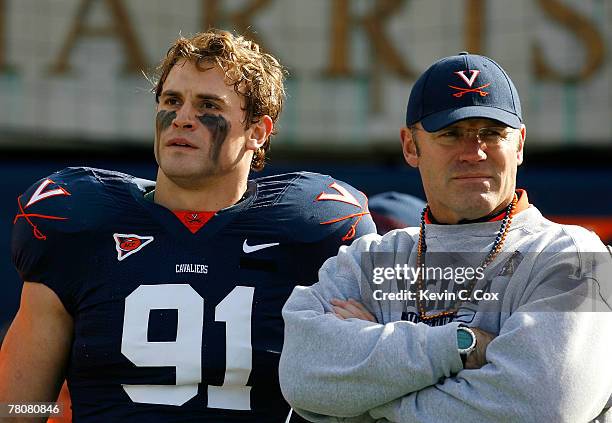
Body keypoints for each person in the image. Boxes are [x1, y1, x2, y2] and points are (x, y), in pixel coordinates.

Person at [0, 29, 376, 422]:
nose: (182, 119)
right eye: (171, 101)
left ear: (257, 132)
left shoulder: (314, 230)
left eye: (207, 106)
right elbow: (16, 408)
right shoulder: (81, 223)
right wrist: (57, 411)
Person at [279, 52, 612, 422]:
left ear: (519, 144)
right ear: (410, 145)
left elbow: (543, 408)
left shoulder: (574, 256)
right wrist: (463, 346)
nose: (474, 152)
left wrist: (367, 400)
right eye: (450, 134)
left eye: (492, 133)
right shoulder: (368, 259)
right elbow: (303, 377)